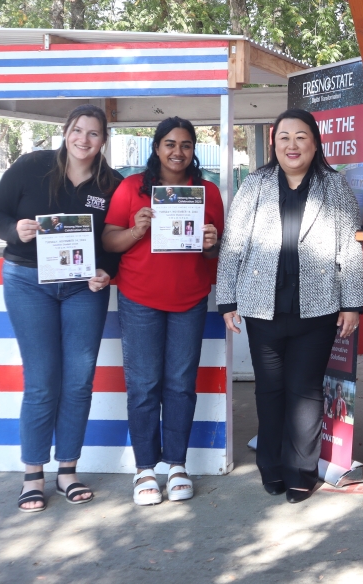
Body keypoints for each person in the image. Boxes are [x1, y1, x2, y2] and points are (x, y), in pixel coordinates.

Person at [216, 108, 363, 504]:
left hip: (316, 311)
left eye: (301, 137)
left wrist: (352, 304)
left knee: (306, 393)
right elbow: (232, 245)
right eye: (284, 137)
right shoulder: (255, 185)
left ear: (316, 143)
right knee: (269, 391)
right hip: (262, 308)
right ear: (273, 143)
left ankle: (301, 471)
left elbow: (349, 249)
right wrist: (226, 298)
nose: (292, 145)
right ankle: (272, 466)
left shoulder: (335, 187)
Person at [0, 105, 121, 512]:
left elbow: (112, 241)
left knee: (79, 381)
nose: (84, 139)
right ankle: (33, 474)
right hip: (28, 283)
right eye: (78, 130)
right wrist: (14, 230)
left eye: (94, 134)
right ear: (65, 131)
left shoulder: (111, 184)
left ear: (103, 140)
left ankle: (67, 470)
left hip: (83, 289)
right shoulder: (33, 166)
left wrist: (106, 272)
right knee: (42, 381)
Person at [102, 116, 224, 506]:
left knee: (179, 384)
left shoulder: (208, 192)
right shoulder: (130, 188)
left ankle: (176, 465)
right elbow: (109, 241)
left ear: (194, 151)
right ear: (156, 148)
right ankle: (144, 470)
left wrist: (211, 240)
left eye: (186, 145)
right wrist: (136, 229)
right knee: (143, 386)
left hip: (189, 299)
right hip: (139, 299)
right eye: (170, 144)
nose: (178, 151)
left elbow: (215, 252)